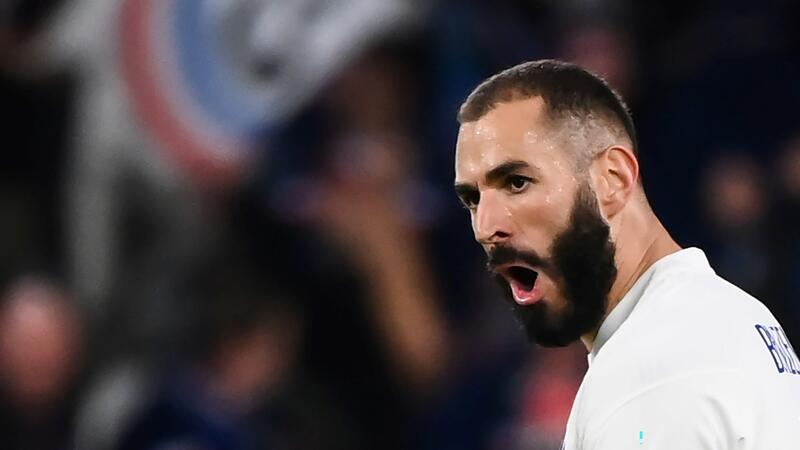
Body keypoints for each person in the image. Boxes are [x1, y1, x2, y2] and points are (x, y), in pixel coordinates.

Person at [452, 59, 800, 449]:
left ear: (613, 179)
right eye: (472, 199)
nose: (485, 227)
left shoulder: (652, 371)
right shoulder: (725, 315)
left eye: (517, 182)